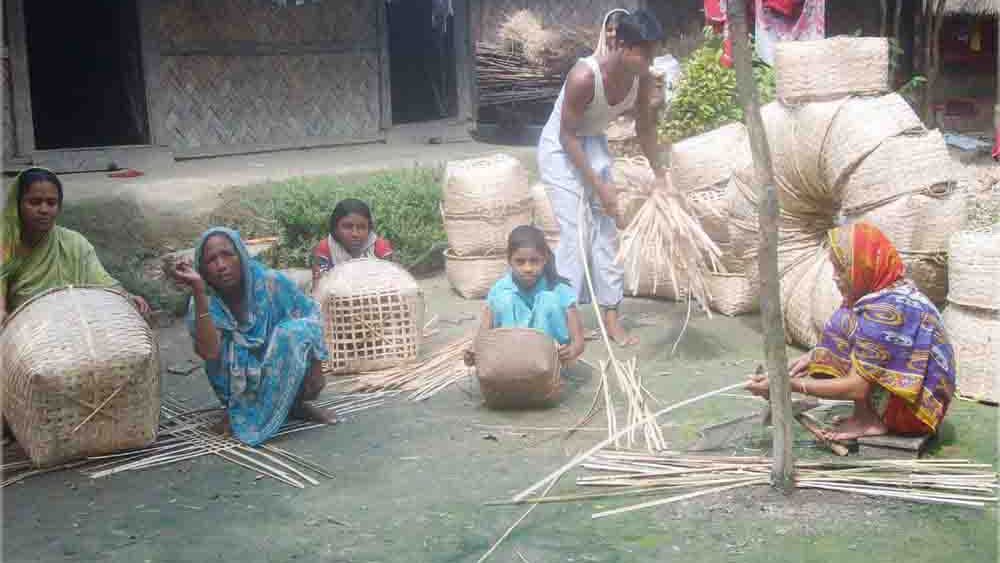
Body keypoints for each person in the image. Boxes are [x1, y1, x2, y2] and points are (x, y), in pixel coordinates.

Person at [746, 222, 956, 441]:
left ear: (864, 266)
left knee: (850, 335)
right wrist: (803, 361)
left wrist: (787, 385)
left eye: (842, 269)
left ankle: (869, 422)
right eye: (834, 268)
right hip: (909, 395)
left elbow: (857, 389)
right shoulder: (886, 290)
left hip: (916, 413)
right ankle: (865, 416)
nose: (835, 277)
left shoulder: (888, 311)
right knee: (843, 322)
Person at [537, 10, 666, 347]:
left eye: (653, 52)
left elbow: (645, 128)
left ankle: (611, 319)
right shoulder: (583, 76)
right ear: (622, 45)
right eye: (646, 53)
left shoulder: (641, 78)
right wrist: (601, 189)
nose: (650, 61)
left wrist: (661, 174)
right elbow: (567, 136)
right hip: (561, 148)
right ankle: (568, 322)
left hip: (591, 142)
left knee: (606, 235)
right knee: (577, 234)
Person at [170, 227, 334, 446]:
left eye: (227, 254)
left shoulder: (271, 283)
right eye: (211, 260)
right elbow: (209, 352)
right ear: (203, 269)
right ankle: (240, 408)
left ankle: (294, 402)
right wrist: (199, 291)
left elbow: (310, 316)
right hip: (236, 386)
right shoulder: (203, 303)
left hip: (281, 370)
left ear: (241, 255)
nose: (221, 266)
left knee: (295, 331)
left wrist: (316, 365)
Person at [0, 167, 150, 325]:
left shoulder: (74, 243)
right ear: (17, 205)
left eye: (51, 203)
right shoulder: (5, 245)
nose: (44, 210)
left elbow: (100, 280)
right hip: (24, 331)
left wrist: (126, 296)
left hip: (74, 327)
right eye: (35, 202)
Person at [464, 225, 585, 367]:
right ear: (509, 261)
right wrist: (474, 352)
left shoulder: (558, 289)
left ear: (544, 259)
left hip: (548, 362)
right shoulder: (500, 290)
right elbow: (482, 336)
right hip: (509, 360)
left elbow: (579, 342)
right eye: (520, 262)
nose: (528, 268)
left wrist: (571, 351)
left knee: (548, 300)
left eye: (534, 261)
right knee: (505, 299)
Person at [311, 198, 394, 289]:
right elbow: (319, 288)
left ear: (369, 228)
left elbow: (391, 284)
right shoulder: (325, 248)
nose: (355, 234)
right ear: (335, 228)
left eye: (362, 227)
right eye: (347, 227)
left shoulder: (380, 248)